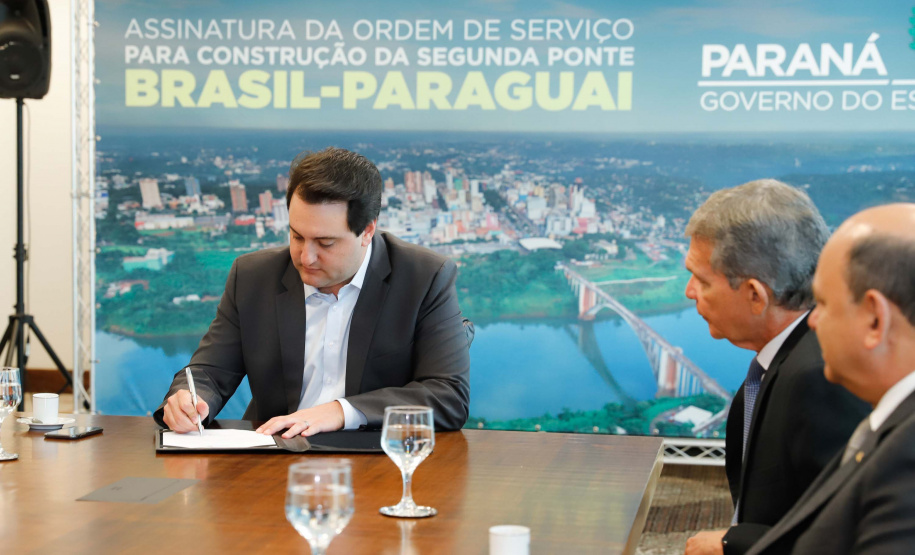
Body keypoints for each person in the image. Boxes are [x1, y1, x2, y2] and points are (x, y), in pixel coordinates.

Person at [154, 147, 471, 437]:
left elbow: (448, 396)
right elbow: (210, 370)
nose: (305, 258)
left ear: (367, 231)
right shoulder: (253, 277)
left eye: (325, 243)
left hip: (377, 458)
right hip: (274, 456)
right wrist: (190, 399)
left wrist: (341, 411)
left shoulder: (423, 277)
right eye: (296, 236)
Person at [682, 179, 869, 555]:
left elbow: (846, 533)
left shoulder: (820, 377)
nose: (689, 291)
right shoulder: (793, 355)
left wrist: (732, 544)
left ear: (756, 295)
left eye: (701, 280)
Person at [747, 203, 915, 554]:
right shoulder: (893, 430)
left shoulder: (905, 461)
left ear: (874, 320)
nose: (812, 320)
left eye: (823, 303)